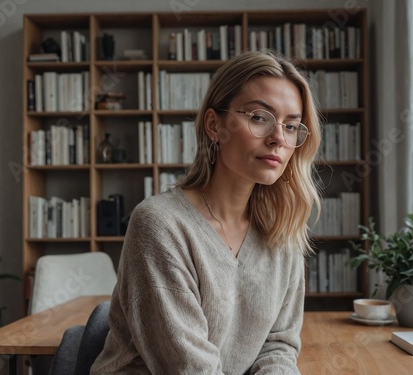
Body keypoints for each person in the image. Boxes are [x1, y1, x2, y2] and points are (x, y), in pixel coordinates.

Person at [91, 50, 322, 375]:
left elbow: (279, 346)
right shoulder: (160, 225)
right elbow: (188, 369)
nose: (278, 139)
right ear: (214, 125)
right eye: (259, 117)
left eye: (292, 126)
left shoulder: (283, 232)